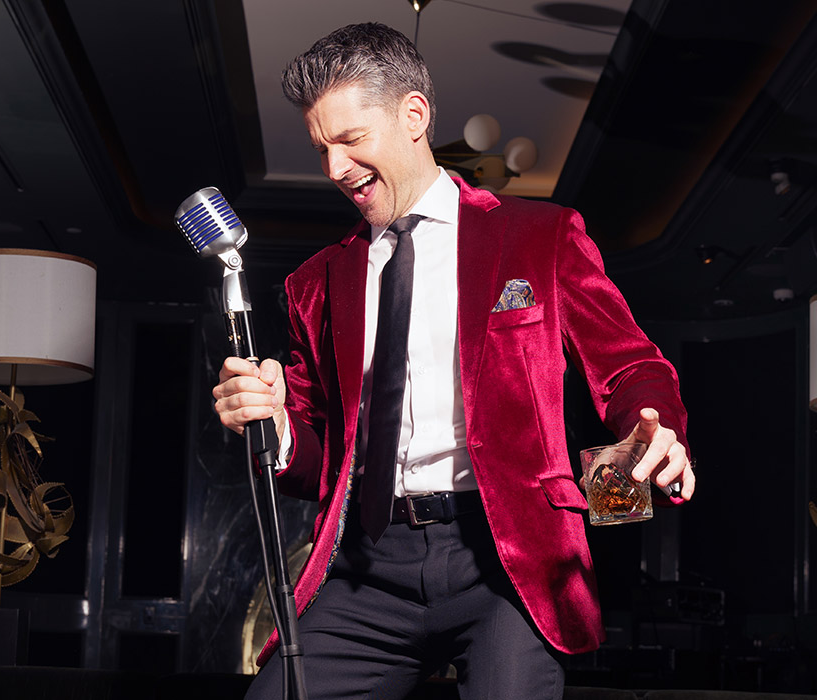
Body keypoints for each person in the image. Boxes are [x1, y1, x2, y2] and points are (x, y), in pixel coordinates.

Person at [212, 22, 695, 700]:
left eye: (351, 140)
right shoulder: (315, 284)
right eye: (321, 147)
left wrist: (654, 424)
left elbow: (630, 366)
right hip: (365, 566)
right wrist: (276, 425)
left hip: (505, 560)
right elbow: (317, 464)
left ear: (414, 115)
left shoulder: (541, 237)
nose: (333, 168)